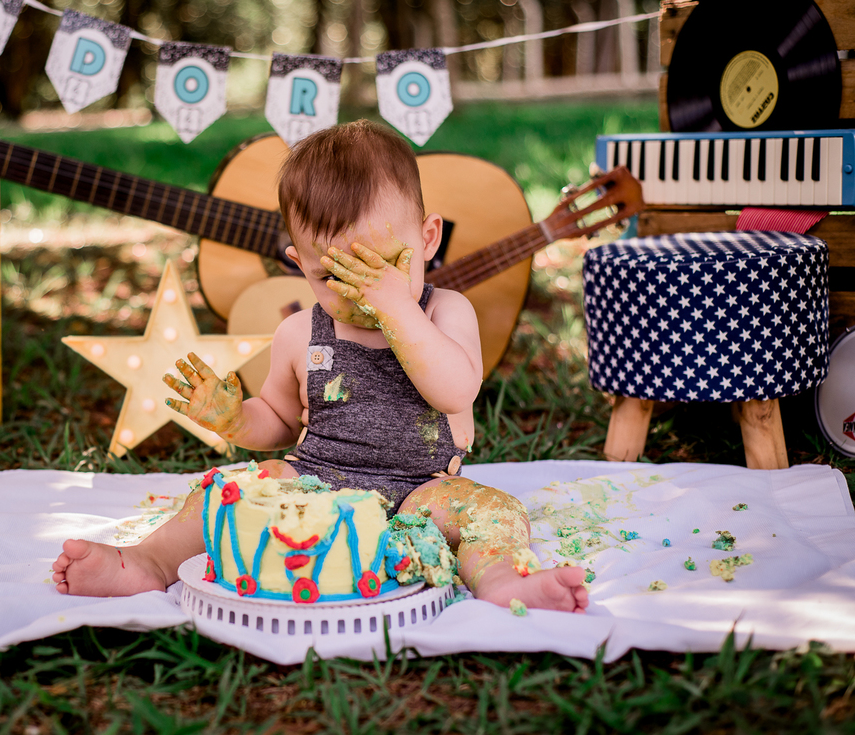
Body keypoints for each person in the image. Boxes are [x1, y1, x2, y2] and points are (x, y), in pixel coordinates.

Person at [52, 120, 588, 613]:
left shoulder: (446, 311)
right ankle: (146, 562)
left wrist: (399, 308)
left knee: (491, 513)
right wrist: (236, 420)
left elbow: (454, 393)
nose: (361, 294)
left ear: (428, 239)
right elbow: (281, 421)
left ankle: (501, 581)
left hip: (422, 490)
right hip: (314, 482)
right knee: (217, 496)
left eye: (378, 268)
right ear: (299, 264)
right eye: (334, 276)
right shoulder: (299, 333)